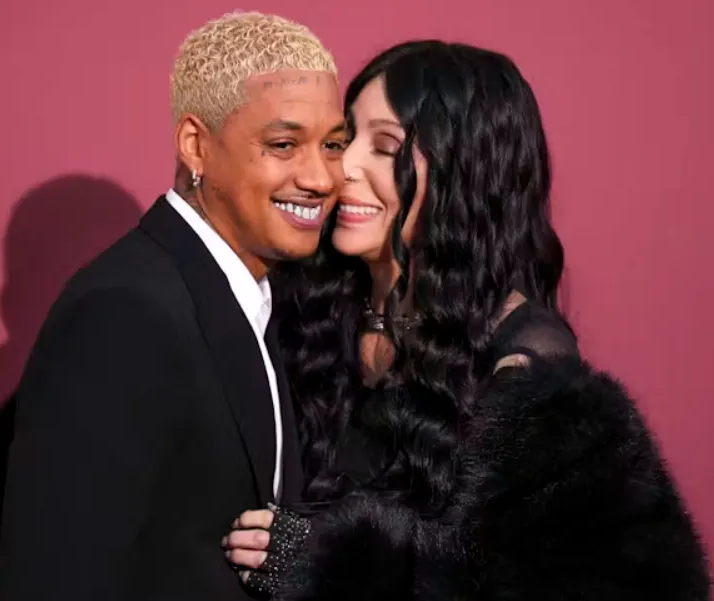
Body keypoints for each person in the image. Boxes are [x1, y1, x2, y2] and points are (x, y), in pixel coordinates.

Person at [222, 40, 710, 600]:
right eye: (344, 138)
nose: (342, 167)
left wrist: (332, 566)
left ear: (465, 175)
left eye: (386, 147)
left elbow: (539, 585)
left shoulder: (527, 361)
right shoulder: (299, 307)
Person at [0, 12, 347, 601]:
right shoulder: (123, 314)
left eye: (333, 144)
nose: (319, 177)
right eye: (283, 145)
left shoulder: (248, 293)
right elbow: (54, 577)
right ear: (195, 145)